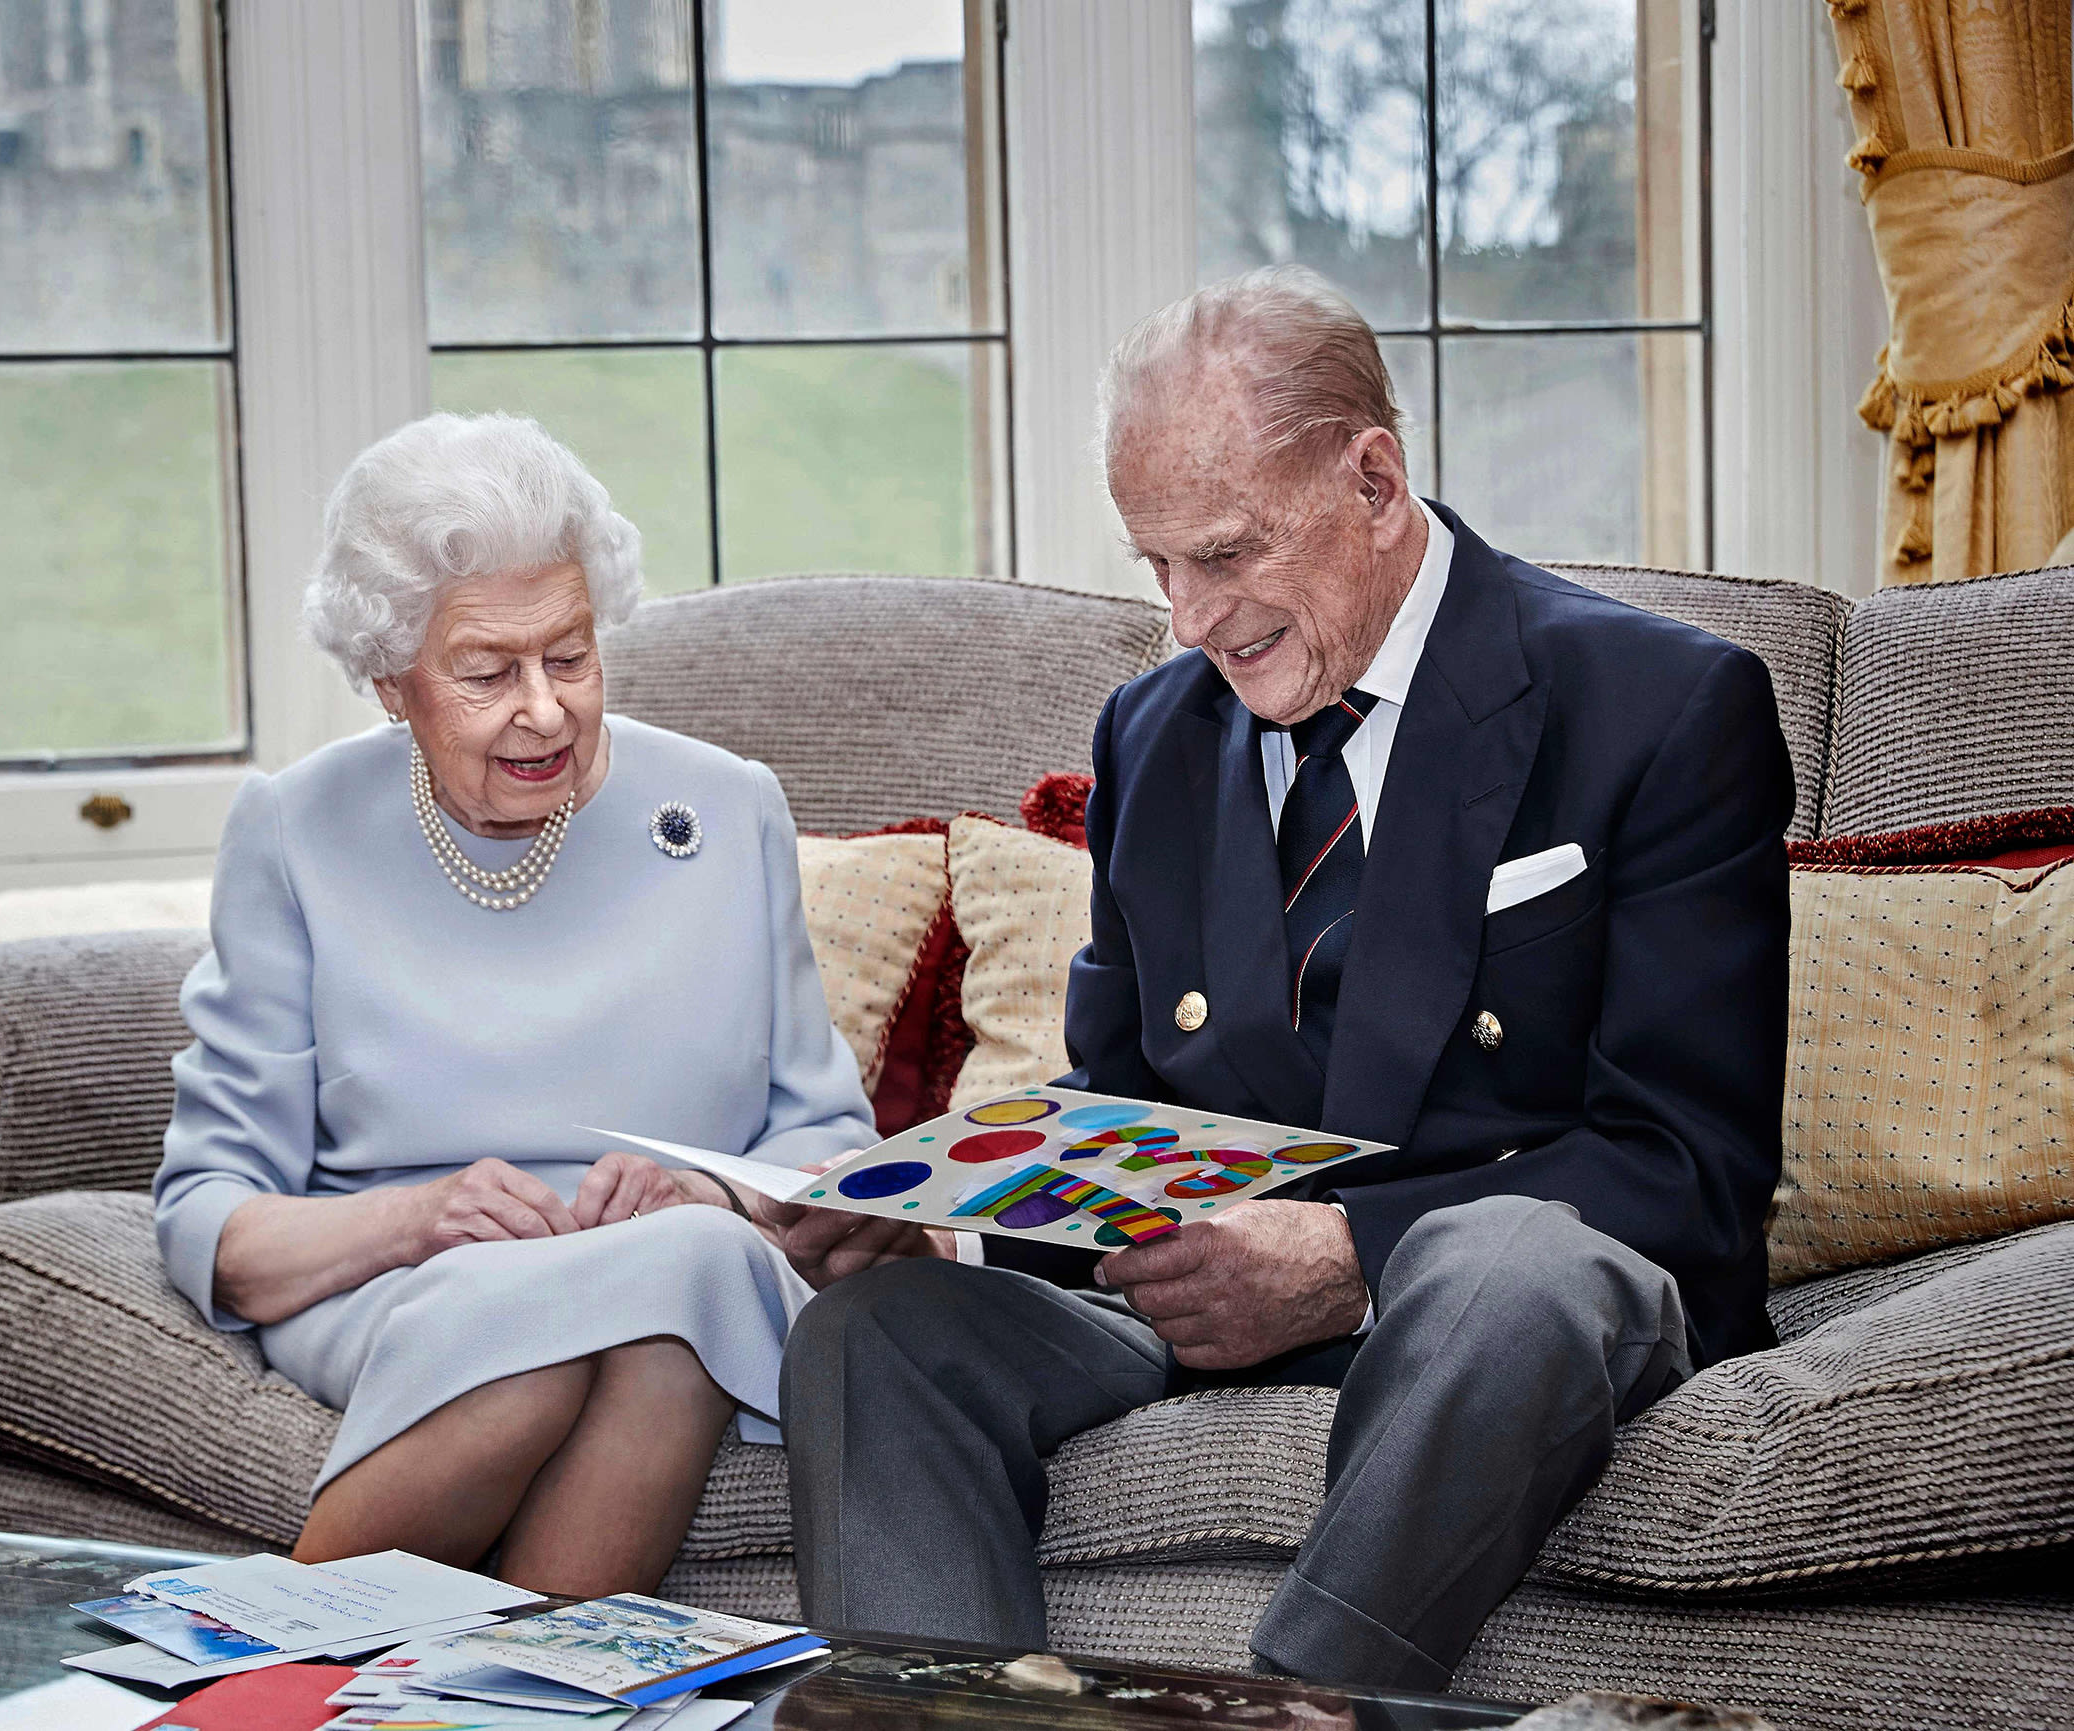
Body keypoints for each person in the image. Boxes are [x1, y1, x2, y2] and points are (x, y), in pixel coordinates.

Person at [770, 266, 1792, 1691]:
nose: (1192, 616)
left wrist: (1349, 1258)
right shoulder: (1157, 730)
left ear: (1374, 479)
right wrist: (956, 1222)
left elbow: (1689, 1165)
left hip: (1495, 1321)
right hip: (1197, 1312)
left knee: (1508, 1263)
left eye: (1228, 552)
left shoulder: (1661, 707)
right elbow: (1121, 1098)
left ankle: (1290, 1710)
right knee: (877, 1332)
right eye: (1159, 566)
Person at [153, 411, 891, 1594]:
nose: (544, 709)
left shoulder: (727, 807)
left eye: (571, 655)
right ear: (393, 684)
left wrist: (700, 1186)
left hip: (676, 1260)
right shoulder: (295, 830)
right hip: (396, 1277)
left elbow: (825, 1144)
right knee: (583, 1337)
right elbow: (212, 1220)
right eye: (488, 672)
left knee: (674, 1288)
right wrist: (419, 1218)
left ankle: (261, 1683)